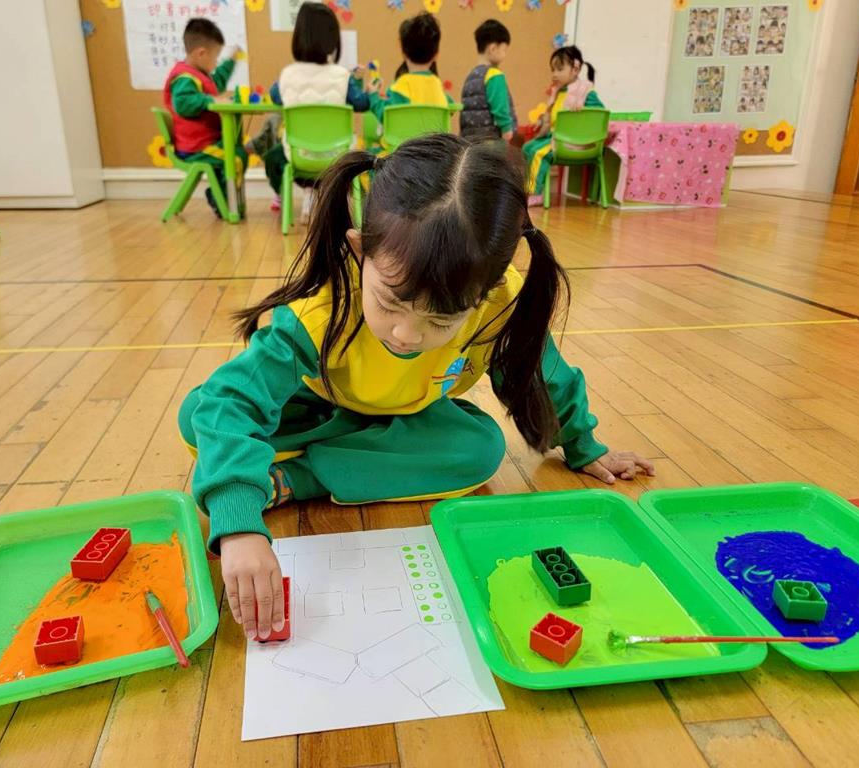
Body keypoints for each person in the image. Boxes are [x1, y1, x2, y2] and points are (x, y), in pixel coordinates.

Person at [177, 134, 654, 639]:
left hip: (407, 421)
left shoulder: (500, 306)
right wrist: (238, 522)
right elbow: (231, 400)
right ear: (360, 250)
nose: (406, 335)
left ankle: (299, 478)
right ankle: (316, 464)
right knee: (199, 416)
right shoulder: (324, 306)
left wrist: (583, 445)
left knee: (480, 449)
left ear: (487, 292)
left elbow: (542, 374)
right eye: (390, 303)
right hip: (316, 410)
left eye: (441, 320)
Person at [262, 2, 371, 218]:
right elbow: (362, 103)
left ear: (298, 38)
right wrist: (361, 85)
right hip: (336, 154)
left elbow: (275, 95)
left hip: (299, 155)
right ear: (333, 40)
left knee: (273, 156)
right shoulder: (342, 76)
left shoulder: (287, 76)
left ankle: (308, 192)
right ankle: (323, 196)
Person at [163, 18, 242, 218]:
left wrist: (231, 61)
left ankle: (221, 196)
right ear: (201, 53)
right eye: (215, 58)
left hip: (203, 143)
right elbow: (183, 103)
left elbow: (216, 83)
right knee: (235, 157)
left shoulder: (200, 75)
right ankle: (223, 201)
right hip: (196, 146)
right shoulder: (185, 78)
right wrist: (210, 100)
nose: (216, 63)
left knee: (235, 152)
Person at [521, 46, 604, 207]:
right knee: (527, 147)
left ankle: (536, 193)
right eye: (553, 70)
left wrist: (583, 110)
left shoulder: (586, 91)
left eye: (560, 69)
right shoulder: (558, 91)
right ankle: (528, 188)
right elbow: (551, 114)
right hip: (556, 137)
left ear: (575, 69)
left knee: (538, 153)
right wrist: (542, 120)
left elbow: (599, 114)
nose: (554, 74)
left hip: (573, 142)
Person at [368, 12, 451, 124]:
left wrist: (373, 96)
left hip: (406, 136)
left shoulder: (401, 86)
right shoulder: (437, 84)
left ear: (403, 53)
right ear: (436, 55)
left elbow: (385, 116)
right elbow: (449, 106)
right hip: (435, 136)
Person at [460, 19, 517, 143]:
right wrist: (507, 128)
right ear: (493, 49)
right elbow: (500, 106)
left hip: (469, 140)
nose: (505, 55)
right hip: (491, 139)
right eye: (504, 50)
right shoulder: (494, 75)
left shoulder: (471, 76)